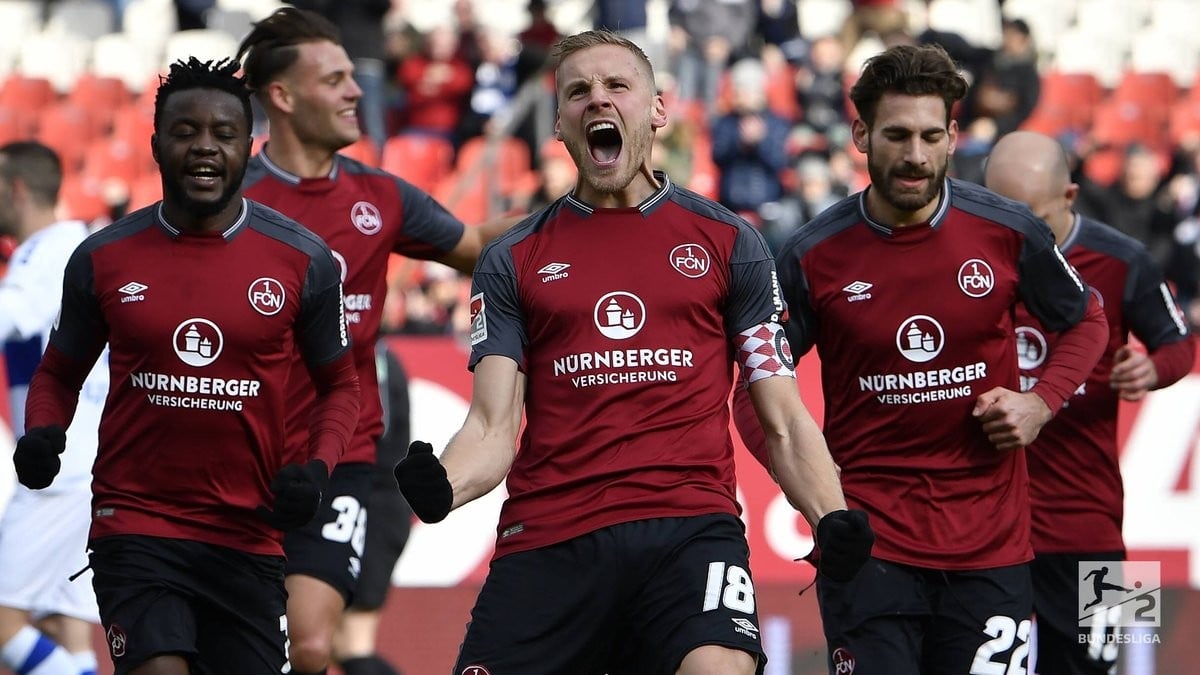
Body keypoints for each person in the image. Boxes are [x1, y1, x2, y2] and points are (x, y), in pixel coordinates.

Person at [392, 29, 874, 674]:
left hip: (689, 531)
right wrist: (444, 486)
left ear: (657, 110)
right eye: (578, 92)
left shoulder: (731, 243)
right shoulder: (512, 258)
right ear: (559, 124)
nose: (598, 101)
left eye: (617, 86)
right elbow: (491, 428)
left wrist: (830, 514)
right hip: (551, 537)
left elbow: (782, 418)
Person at [733, 44, 1110, 675]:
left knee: (1121, 662)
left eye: (932, 136)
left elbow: (1155, 347)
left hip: (1096, 533)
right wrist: (811, 487)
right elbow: (751, 383)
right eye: (899, 135)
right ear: (861, 135)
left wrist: (1042, 402)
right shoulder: (812, 254)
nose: (916, 155)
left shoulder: (1112, 259)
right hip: (882, 547)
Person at [14, 57, 360, 674]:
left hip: (249, 534)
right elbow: (58, 372)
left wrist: (316, 468)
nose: (204, 147)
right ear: (155, 145)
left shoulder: (304, 262)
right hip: (136, 523)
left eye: (223, 134)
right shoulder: (103, 257)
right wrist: (44, 431)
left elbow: (340, 385)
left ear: (247, 147)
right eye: (185, 132)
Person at [235, 9, 518, 674]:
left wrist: (582, 210)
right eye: (334, 79)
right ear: (282, 95)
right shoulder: (232, 197)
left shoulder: (380, 196)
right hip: (234, 455)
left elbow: (474, 245)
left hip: (341, 456)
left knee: (307, 645)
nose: (356, 91)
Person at [984, 130, 1195, 675]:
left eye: (1030, 218)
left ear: (1070, 198)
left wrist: (1152, 369)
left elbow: (1180, 344)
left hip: (1091, 521)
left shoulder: (1124, 259)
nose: (1014, 235)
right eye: (998, 215)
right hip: (981, 527)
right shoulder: (967, 264)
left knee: (1107, 666)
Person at [0, 142, 104, 675]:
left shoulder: (49, 249)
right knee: (63, 621)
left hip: (57, 467)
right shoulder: (73, 245)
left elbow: (11, 314)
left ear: (15, 188)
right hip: (77, 458)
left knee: (3, 625)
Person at [331, 341, 412, 675]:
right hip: (371, 501)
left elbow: (378, 428)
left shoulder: (374, 356)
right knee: (325, 641)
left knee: (351, 642)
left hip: (372, 503)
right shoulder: (379, 354)